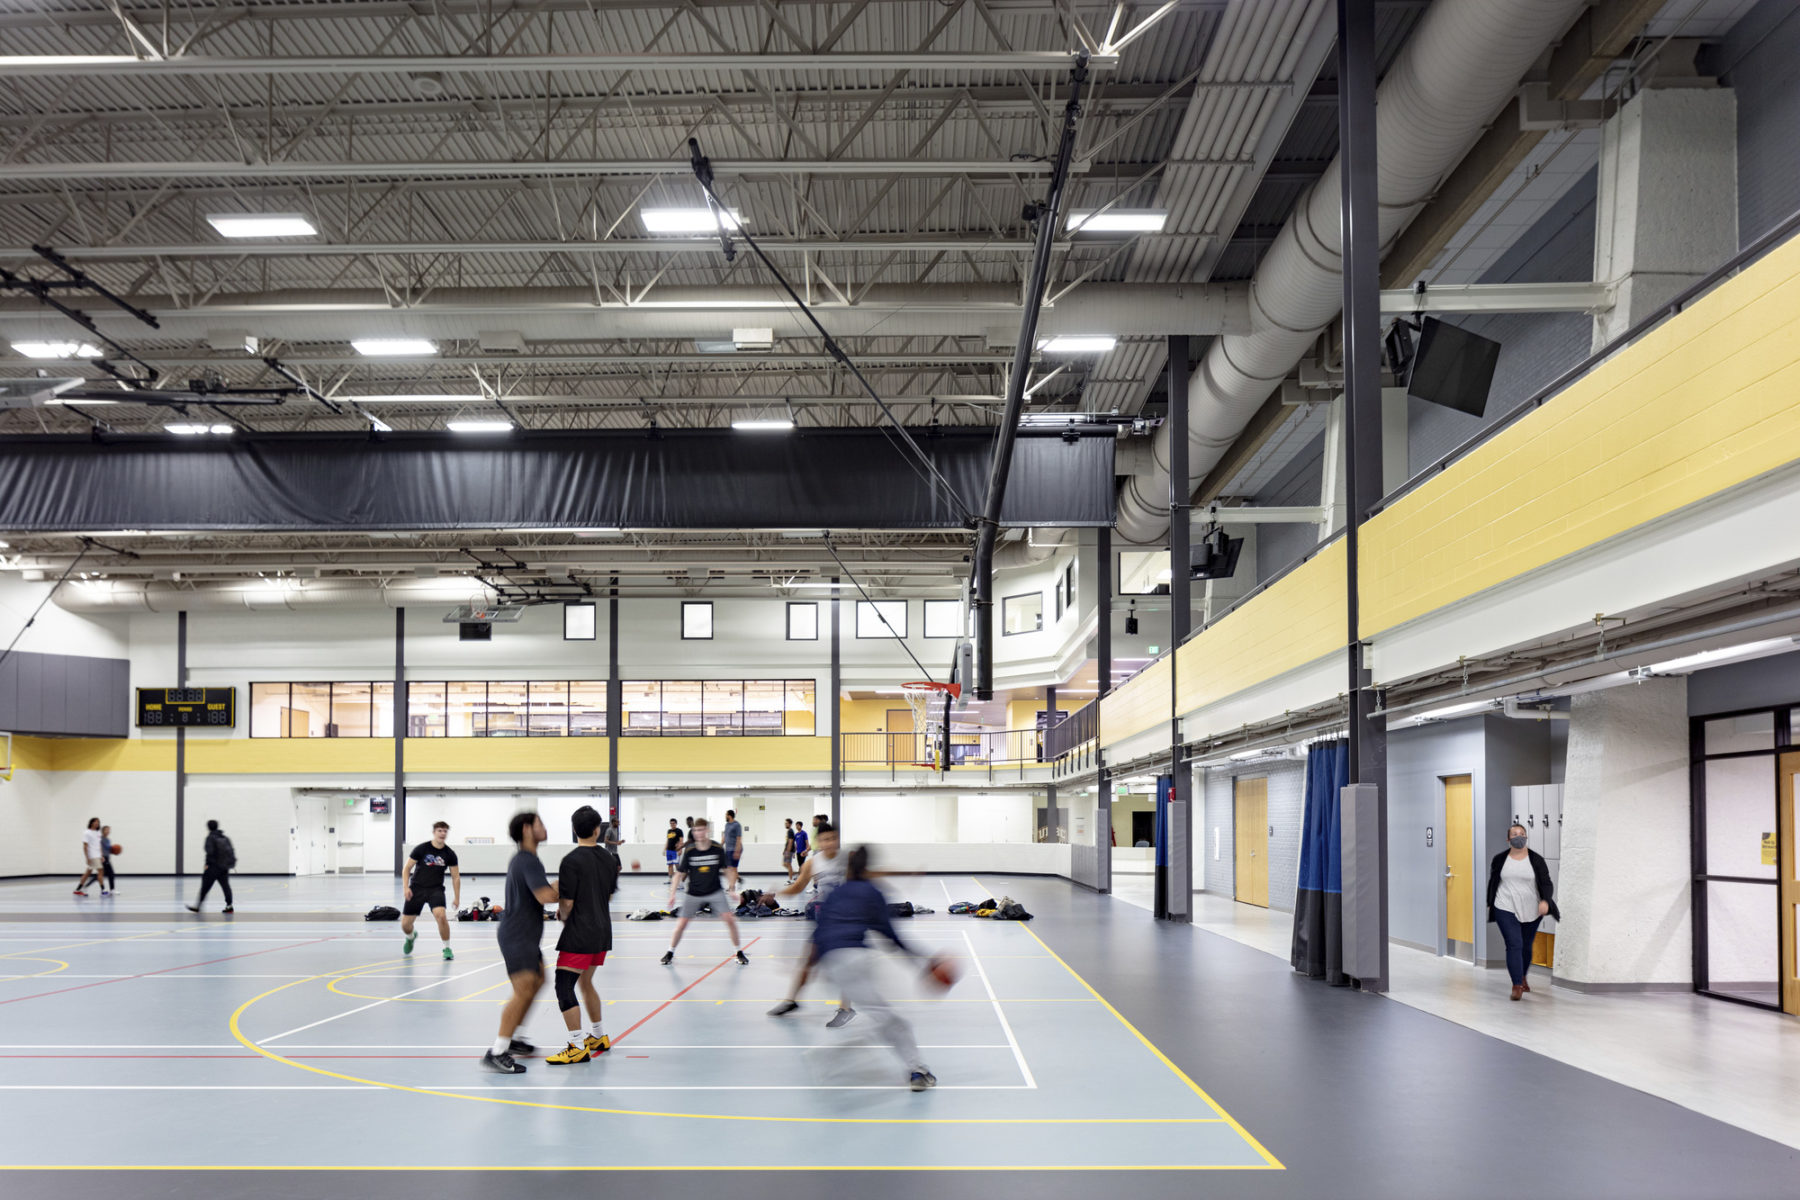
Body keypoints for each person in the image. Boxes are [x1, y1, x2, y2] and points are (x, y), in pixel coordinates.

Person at [812, 846, 944, 1091]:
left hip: (832, 961)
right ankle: (915, 1070)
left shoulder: (835, 893)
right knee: (889, 1019)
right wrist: (923, 960)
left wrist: (819, 969)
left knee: (886, 1017)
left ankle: (917, 1070)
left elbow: (818, 934)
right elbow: (892, 937)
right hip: (854, 958)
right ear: (868, 867)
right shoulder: (872, 892)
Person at [483, 811, 559, 1074]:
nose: (544, 827)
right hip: (517, 934)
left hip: (525, 933)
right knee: (524, 989)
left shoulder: (527, 859)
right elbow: (546, 896)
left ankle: (515, 1037)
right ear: (527, 829)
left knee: (539, 980)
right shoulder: (527, 861)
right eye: (540, 823)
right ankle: (497, 1051)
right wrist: (570, 882)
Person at [546, 805, 620, 1065]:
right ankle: (599, 1036)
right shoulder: (610, 859)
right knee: (586, 982)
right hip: (602, 930)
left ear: (574, 829)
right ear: (598, 830)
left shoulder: (570, 861)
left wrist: (563, 916)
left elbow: (566, 903)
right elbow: (609, 894)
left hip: (580, 933)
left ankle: (577, 1045)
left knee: (563, 985)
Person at [767, 824, 854, 1026]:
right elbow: (798, 888)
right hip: (824, 918)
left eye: (833, 838)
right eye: (825, 839)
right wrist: (777, 892)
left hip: (845, 918)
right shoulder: (812, 863)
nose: (829, 843)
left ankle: (846, 1008)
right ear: (818, 842)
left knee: (844, 964)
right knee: (808, 962)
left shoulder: (848, 860)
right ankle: (792, 1001)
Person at [1486, 823, 1561, 1002]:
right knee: (1514, 943)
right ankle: (1517, 985)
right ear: (1508, 839)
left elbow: (1546, 882)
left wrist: (1545, 901)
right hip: (1505, 905)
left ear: (1526, 837)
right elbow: (1493, 881)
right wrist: (1491, 903)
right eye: (1514, 834)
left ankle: (1523, 976)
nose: (1518, 836)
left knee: (1526, 946)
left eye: (1521, 833)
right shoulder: (1500, 859)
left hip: (1531, 907)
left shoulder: (1536, 859)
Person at [659, 818, 749, 967]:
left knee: (730, 920)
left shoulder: (717, 849)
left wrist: (732, 889)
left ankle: (738, 952)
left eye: (700, 830)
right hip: (693, 893)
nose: (698, 833)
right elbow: (679, 874)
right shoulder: (689, 851)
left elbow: (728, 870)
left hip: (715, 891)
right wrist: (672, 894)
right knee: (681, 924)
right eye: (695, 830)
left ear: (707, 831)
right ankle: (670, 952)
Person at [401, 821, 462, 961]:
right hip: (416, 889)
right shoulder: (421, 849)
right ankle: (410, 937)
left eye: (445, 831)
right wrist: (406, 887)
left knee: (441, 916)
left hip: (436, 889)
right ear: (434, 832)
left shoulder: (449, 854)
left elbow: (456, 877)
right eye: (440, 830)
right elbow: (406, 869)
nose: (442, 834)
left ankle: (447, 948)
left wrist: (456, 897)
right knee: (405, 925)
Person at [184, 820, 235, 913]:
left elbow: (209, 852)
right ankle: (229, 906)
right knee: (226, 887)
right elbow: (231, 851)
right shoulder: (225, 838)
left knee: (205, 887)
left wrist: (207, 865)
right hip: (224, 867)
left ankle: (198, 906)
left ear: (208, 827)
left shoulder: (210, 838)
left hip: (213, 867)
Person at [75, 817, 109, 897]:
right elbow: (85, 846)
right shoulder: (87, 833)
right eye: (95, 822)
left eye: (98, 822)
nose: (97, 823)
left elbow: (99, 845)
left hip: (97, 855)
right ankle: (103, 890)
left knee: (87, 873)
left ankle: (78, 889)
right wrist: (87, 857)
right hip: (92, 855)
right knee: (101, 871)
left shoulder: (98, 833)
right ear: (91, 823)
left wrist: (101, 855)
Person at [722, 809, 744, 877]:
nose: (725, 816)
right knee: (732, 868)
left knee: (731, 868)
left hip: (734, 849)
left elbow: (738, 839)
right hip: (728, 849)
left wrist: (737, 851)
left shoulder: (737, 825)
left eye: (726, 815)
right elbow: (725, 836)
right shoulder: (727, 825)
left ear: (729, 816)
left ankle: (732, 885)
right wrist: (720, 846)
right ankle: (738, 879)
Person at [664, 818, 685, 883]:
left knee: (677, 865)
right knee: (670, 865)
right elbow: (668, 841)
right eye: (671, 823)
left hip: (675, 851)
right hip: (669, 851)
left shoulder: (679, 831)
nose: (672, 824)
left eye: (673, 823)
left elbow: (681, 841)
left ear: (676, 823)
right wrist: (664, 849)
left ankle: (679, 880)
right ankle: (670, 879)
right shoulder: (669, 831)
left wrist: (680, 850)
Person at [100, 824, 119, 894]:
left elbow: (109, 849)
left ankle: (111, 889)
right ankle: (112, 890)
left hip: (107, 858)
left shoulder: (108, 839)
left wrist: (115, 851)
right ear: (103, 831)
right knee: (110, 873)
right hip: (103, 858)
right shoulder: (101, 839)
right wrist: (114, 848)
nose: (108, 831)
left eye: (109, 830)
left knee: (102, 874)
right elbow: (107, 847)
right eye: (107, 830)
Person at [781, 819, 797, 883]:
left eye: (786, 823)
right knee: (784, 864)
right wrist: (784, 850)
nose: (785, 824)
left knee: (788, 864)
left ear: (790, 824)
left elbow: (791, 842)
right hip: (788, 850)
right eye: (785, 823)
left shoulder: (790, 831)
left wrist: (788, 851)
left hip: (789, 851)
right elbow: (788, 842)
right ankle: (795, 874)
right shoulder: (789, 831)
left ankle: (791, 879)